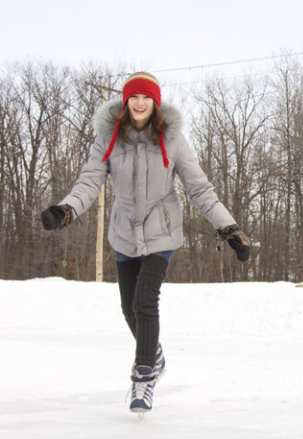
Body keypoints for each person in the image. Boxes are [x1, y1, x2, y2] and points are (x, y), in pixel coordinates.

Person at [40, 72, 251, 415]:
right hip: (124, 233)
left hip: (160, 232)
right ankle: (153, 353)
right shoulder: (107, 140)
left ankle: (143, 379)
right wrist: (66, 211)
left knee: (144, 301)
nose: (140, 103)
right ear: (126, 103)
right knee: (128, 308)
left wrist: (230, 230)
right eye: (134, 97)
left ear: (155, 102)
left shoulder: (173, 139)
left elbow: (200, 189)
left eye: (146, 98)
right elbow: (88, 182)